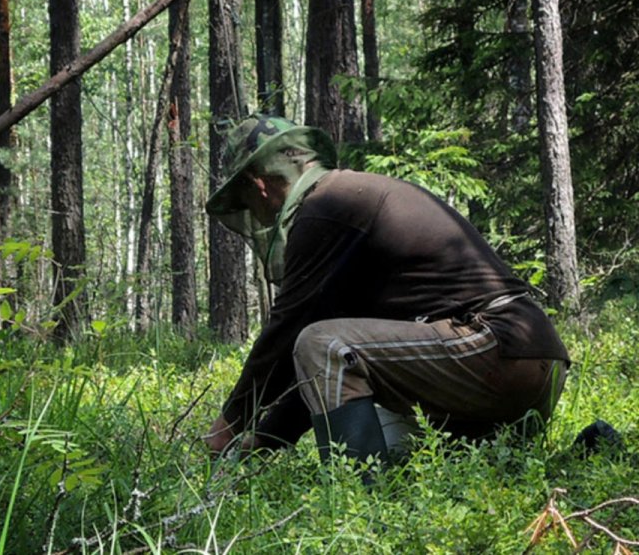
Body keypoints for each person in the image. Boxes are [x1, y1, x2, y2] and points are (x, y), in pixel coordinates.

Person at [202, 114, 570, 470]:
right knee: (397, 452)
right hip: (534, 365)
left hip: (493, 349)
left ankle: (357, 502)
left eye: (244, 201)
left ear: (258, 184)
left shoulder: (325, 205)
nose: (254, 214)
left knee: (321, 342)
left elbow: (291, 333)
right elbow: (316, 372)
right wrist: (264, 440)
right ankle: (584, 450)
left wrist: (230, 422)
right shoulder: (347, 201)